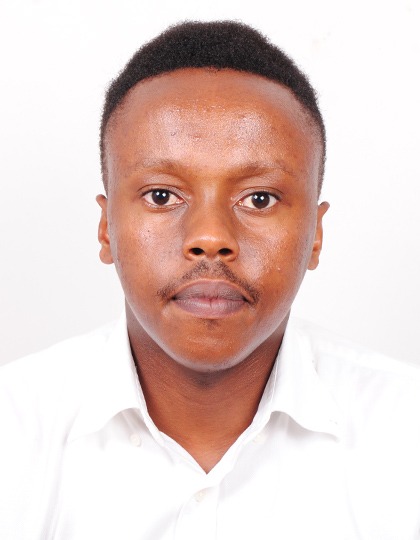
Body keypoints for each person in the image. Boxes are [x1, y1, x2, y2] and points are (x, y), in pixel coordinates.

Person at [1, 20, 420, 540]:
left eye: (259, 198)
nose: (210, 237)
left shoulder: (406, 435)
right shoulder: (13, 432)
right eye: (161, 195)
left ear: (315, 235)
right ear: (106, 228)